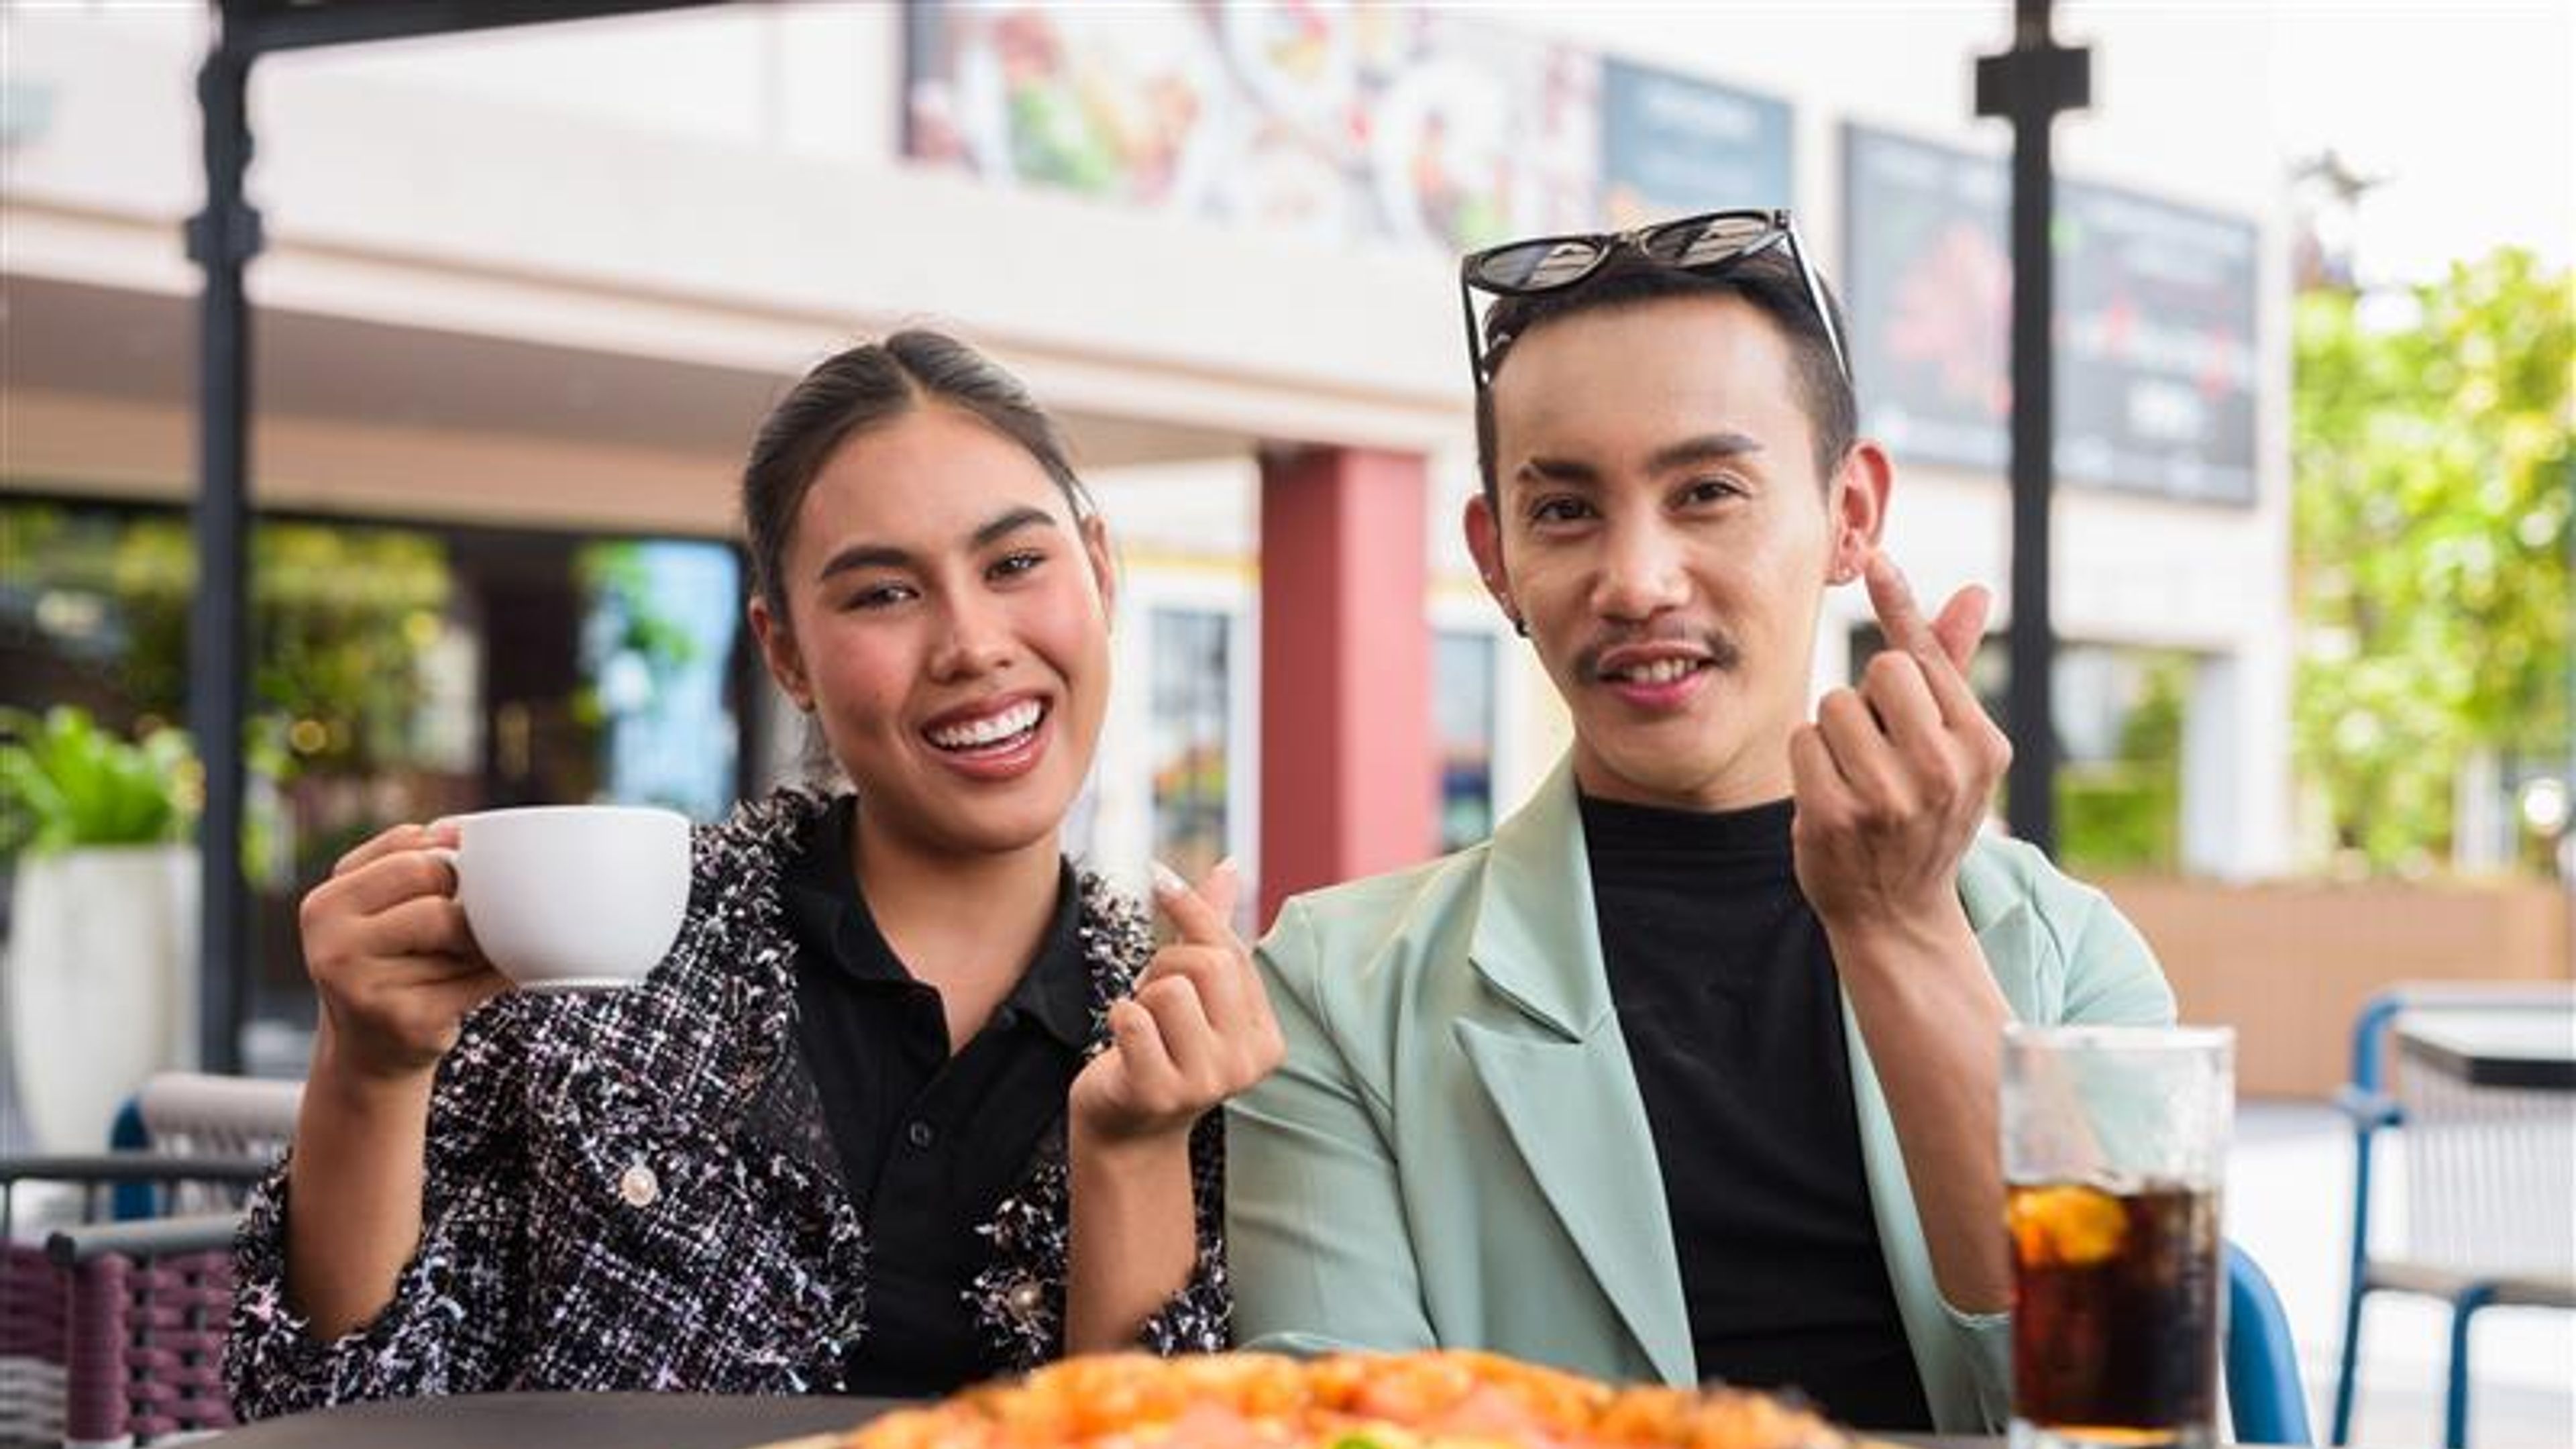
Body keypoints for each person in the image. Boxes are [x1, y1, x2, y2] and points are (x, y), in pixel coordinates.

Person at [1223, 211, 2175, 1435]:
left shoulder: (2066, 957)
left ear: (1850, 513)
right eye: (1565, 511)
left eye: (1708, 492)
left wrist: (1902, 930)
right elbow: (1337, 1425)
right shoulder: (1335, 993)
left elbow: (2125, 1411)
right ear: (1496, 557)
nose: (1636, 581)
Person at [228, 330, 1283, 1411]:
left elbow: (1178, 1431)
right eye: (883, 594)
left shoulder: (1204, 1044)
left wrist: (1137, 1146)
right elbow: (328, 1415)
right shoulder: (603, 943)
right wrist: (369, 1068)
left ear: (1099, 571)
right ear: (784, 653)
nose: (971, 644)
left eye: (1014, 564)